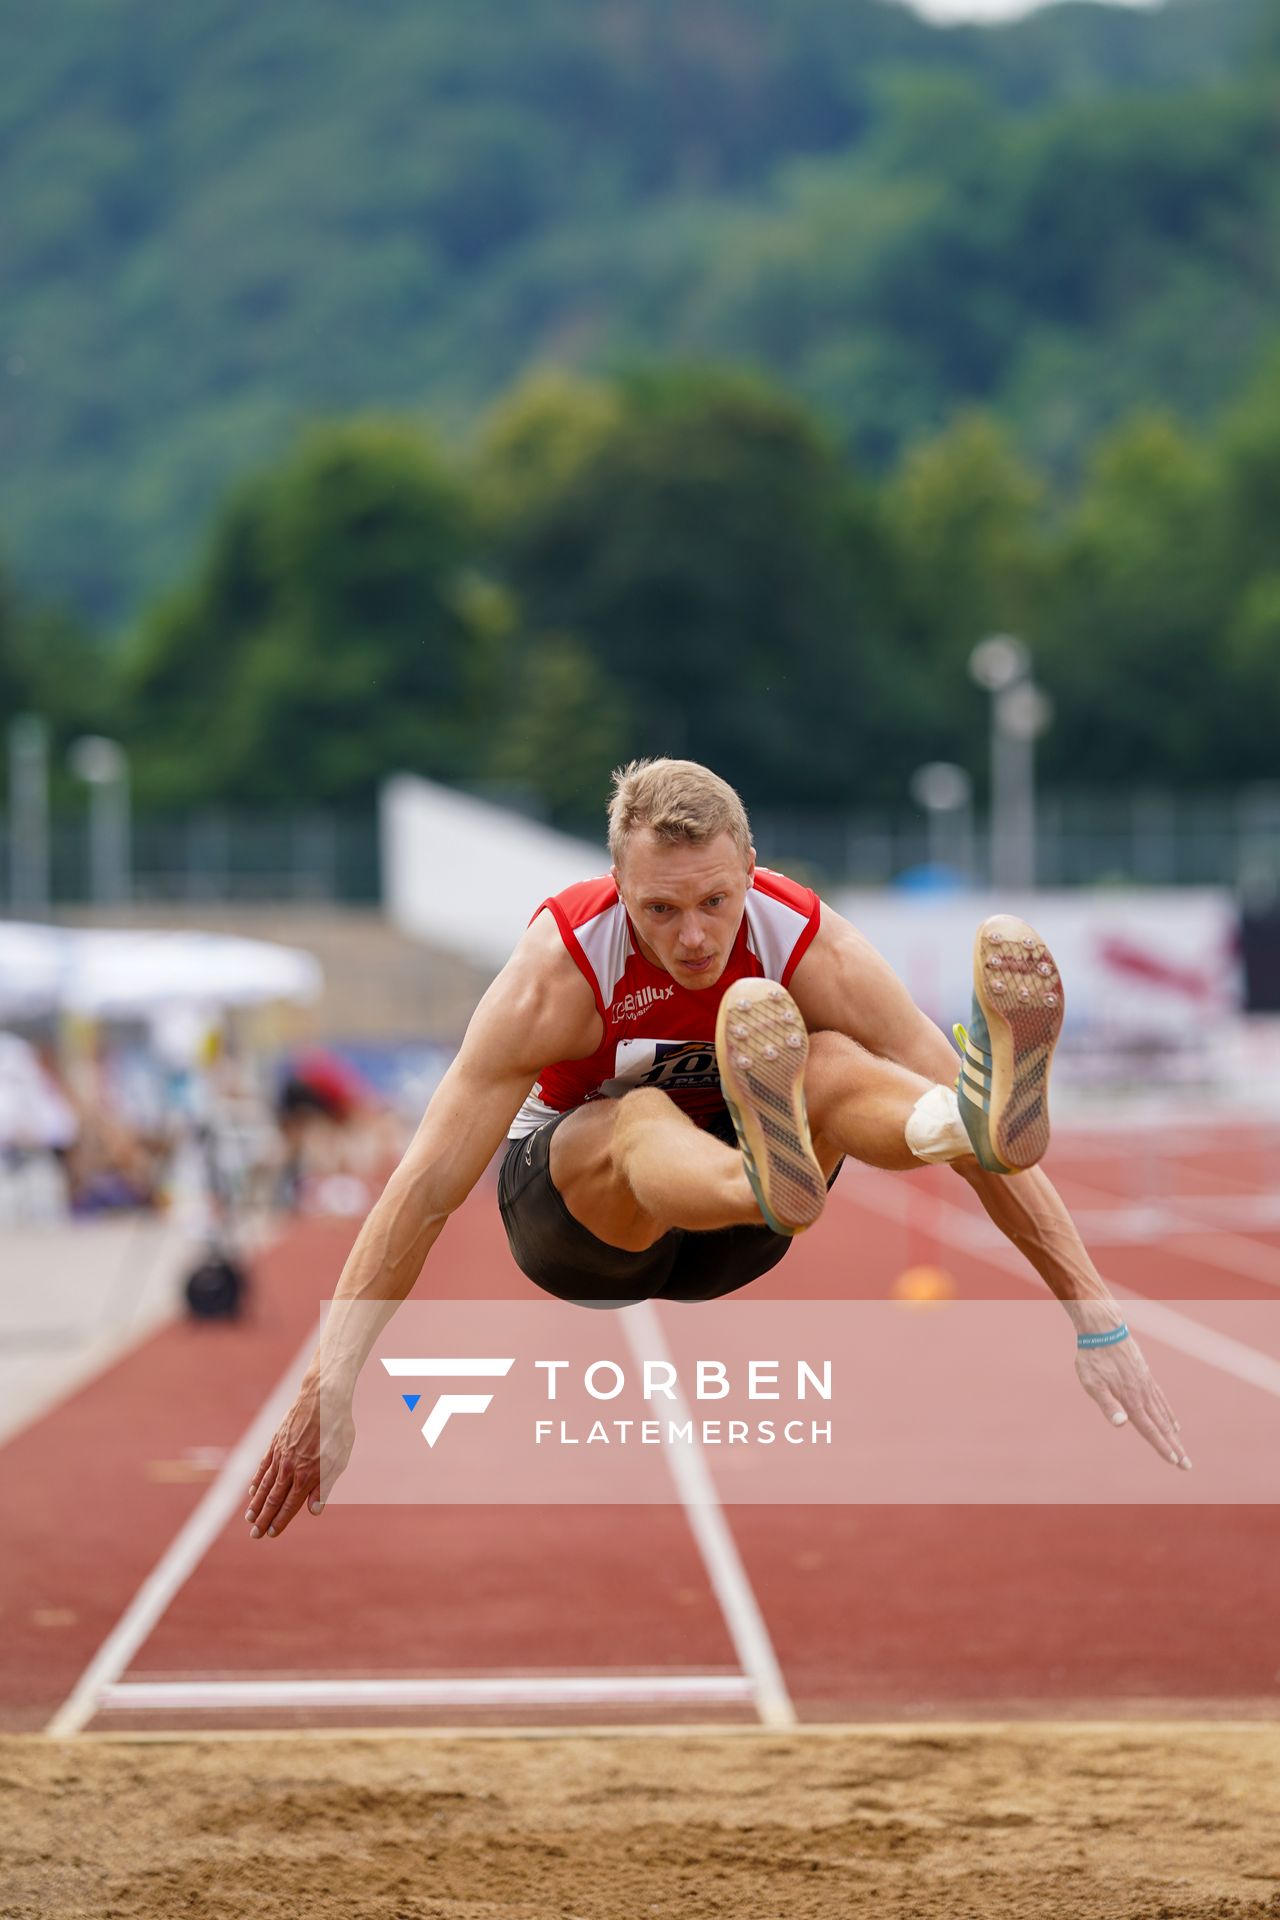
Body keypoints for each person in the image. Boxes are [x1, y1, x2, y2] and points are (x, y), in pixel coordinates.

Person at [246, 759, 1188, 1539]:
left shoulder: (810, 945)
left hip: (746, 1229)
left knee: (834, 1060)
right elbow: (424, 1189)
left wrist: (1096, 1320)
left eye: (714, 901)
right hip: (582, 1223)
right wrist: (332, 1383)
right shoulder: (559, 973)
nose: (693, 937)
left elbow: (1000, 1164)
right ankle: (759, 1171)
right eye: (659, 910)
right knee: (639, 1117)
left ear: (751, 867)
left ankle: (942, 1121)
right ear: (618, 890)